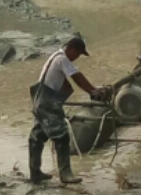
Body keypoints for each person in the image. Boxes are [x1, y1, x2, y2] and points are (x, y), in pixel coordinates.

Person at [29, 35, 102, 185]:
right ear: (71, 49)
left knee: (38, 136)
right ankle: (66, 174)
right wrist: (92, 91)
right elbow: (77, 77)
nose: (77, 57)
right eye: (78, 54)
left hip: (39, 100)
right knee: (61, 137)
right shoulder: (62, 59)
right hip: (47, 103)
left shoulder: (54, 57)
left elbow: (64, 83)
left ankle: (35, 172)